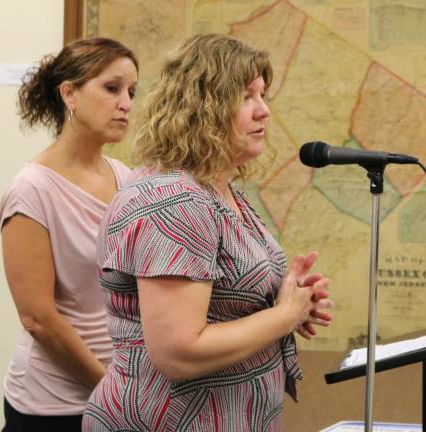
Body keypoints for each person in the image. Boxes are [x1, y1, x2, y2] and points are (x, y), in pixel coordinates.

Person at [82, 33, 333, 431]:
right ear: (204, 106)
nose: (264, 111)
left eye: (263, 95)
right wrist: (285, 316)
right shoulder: (173, 200)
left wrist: (286, 298)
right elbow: (179, 352)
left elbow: (224, 300)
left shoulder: (214, 187)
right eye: (247, 97)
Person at [0, 38, 138, 431]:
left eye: (131, 91)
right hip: (53, 408)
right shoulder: (32, 189)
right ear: (70, 94)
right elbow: (38, 318)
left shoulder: (124, 177)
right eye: (112, 88)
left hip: (119, 394)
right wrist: (109, 389)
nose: (126, 103)